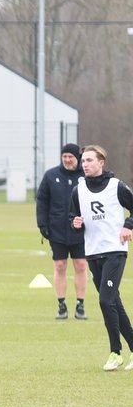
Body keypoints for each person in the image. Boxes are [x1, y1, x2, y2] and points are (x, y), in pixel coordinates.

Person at [68, 144, 133, 371]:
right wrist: (75, 223)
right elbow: (73, 217)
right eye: (83, 161)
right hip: (93, 252)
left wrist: (128, 225)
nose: (85, 164)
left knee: (105, 301)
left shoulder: (116, 186)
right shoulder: (78, 190)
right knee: (113, 302)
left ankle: (115, 352)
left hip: (115, 250)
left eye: (89, 160)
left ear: (101, 163)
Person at [36, 143, 88, 320]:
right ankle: (61, 305)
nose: (67, 159)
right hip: (57, 230)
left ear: (77, 158)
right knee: (59, 266)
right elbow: (42, 201)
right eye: (64, 156)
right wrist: (42, 224)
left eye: (70, 156)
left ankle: (80, 304)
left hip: (80, 231)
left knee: (81, 265)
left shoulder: (85, 176)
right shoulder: (51, 176)